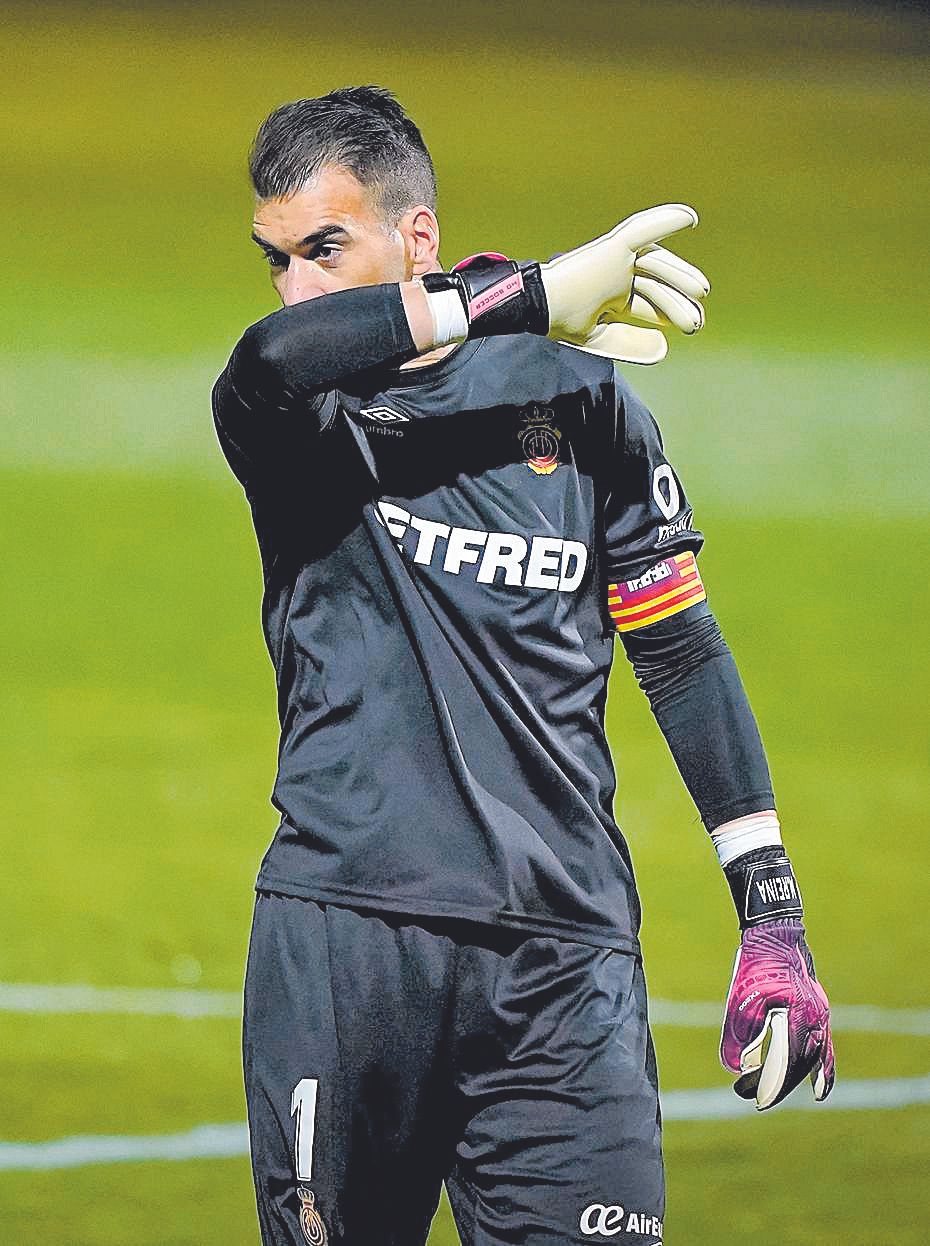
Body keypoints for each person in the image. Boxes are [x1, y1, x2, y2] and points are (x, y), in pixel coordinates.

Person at [213, 85, 835, 1246]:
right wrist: (531, 293)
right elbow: (271, 352)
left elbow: (682, 654)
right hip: (347, 950)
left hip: (564, 965)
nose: (297, 283)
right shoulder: (296, 420)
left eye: (324, 248)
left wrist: (772, 911)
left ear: (418, 237)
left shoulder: (585, 405)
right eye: (277, 257)